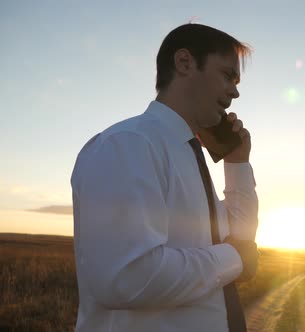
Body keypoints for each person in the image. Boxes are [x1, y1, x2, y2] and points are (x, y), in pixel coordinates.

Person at [70, 23, 259, 332]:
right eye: (227, 75)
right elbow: (127, 277)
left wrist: (237, 163)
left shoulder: (186, 154)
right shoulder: (129, 144)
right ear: (184, 63)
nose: (235, 92)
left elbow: (238, 236)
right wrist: (233, 259)